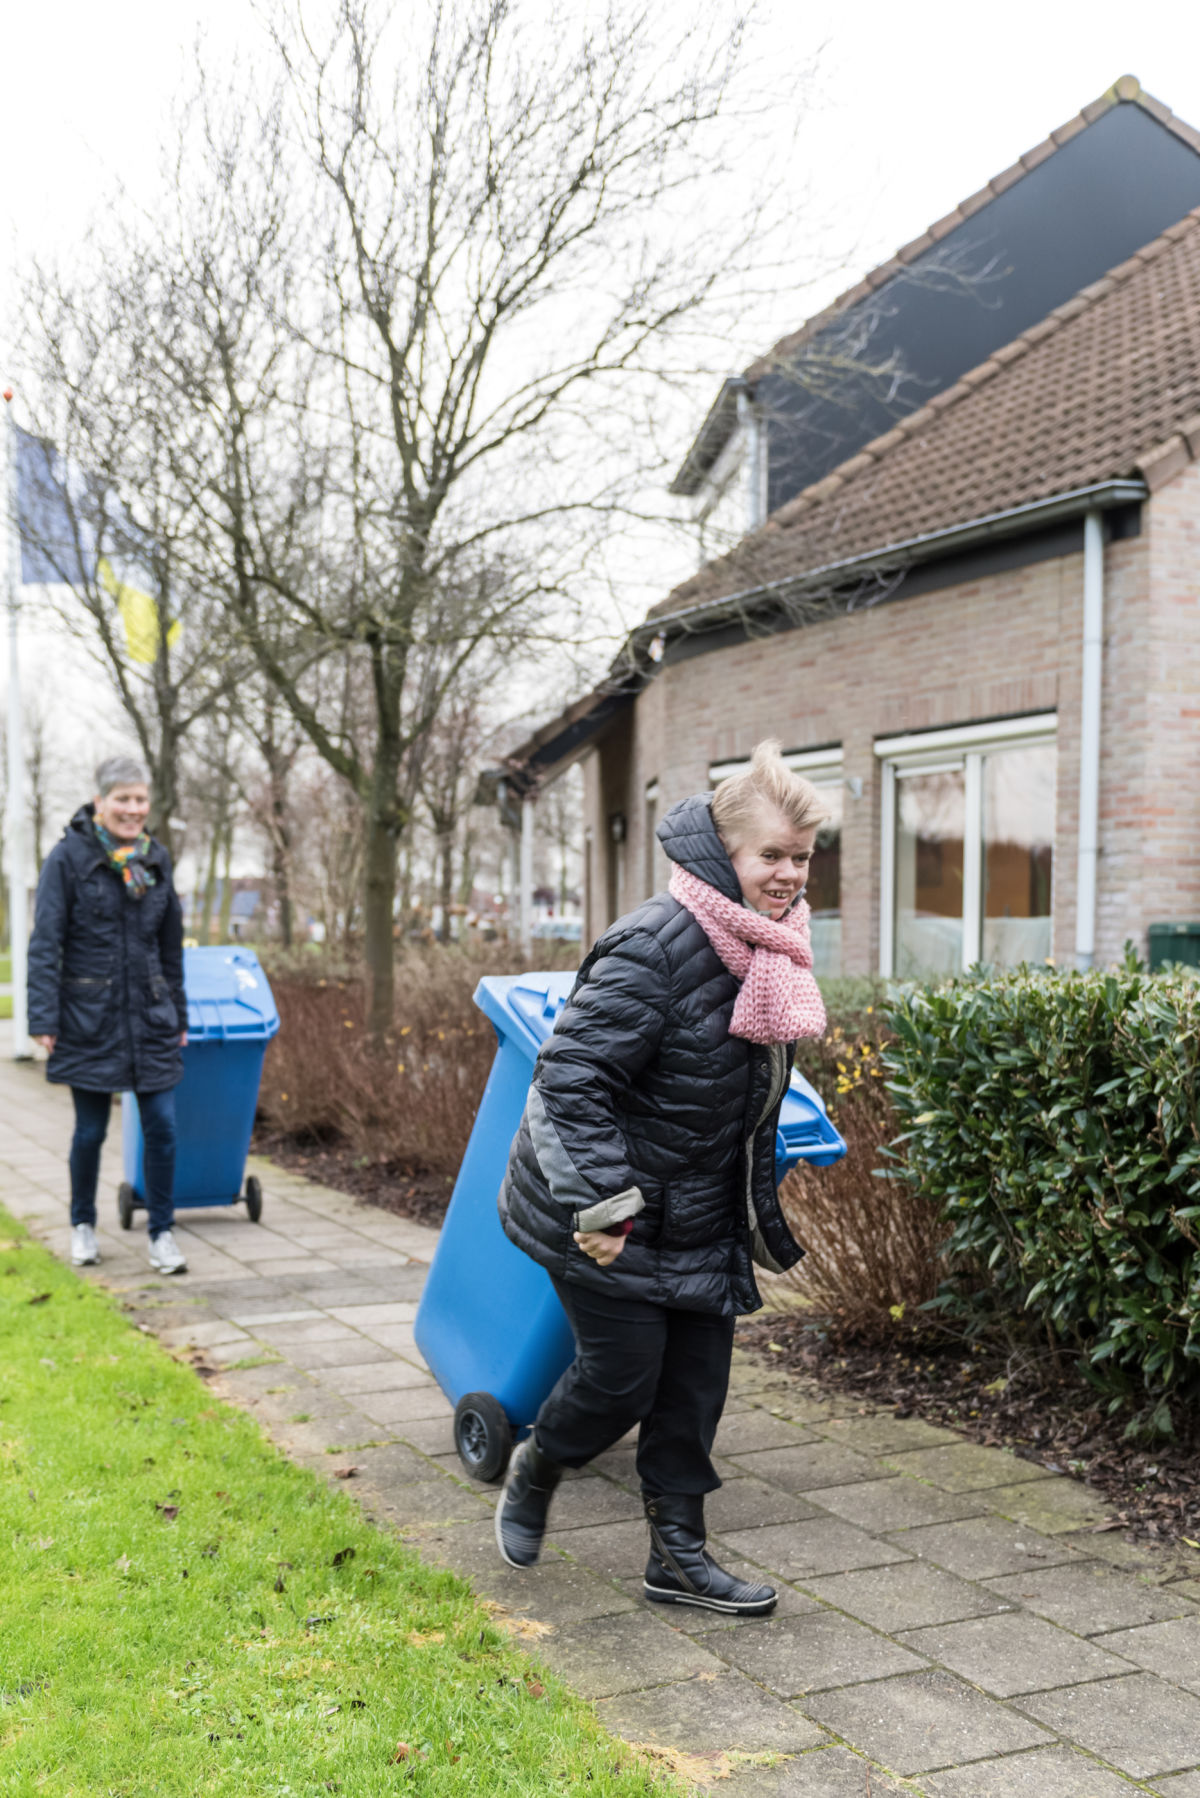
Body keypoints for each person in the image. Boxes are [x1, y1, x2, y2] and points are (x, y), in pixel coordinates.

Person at [496, 739, 827, 1615]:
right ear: (723, 855)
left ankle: (676, 1559)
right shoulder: (658, 945)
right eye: (771, 857)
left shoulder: (767, 946)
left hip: (702, 1214)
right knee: (620, 1382)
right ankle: (536, 1466)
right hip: (613, 1213)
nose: (790, 874)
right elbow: (569, 1082)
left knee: (693, 1394)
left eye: (801, 857)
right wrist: (604, 1205)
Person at [27, 756, 189, 1275]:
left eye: (141, 799)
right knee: (90, 1132)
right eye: (123, 798)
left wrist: (179, 1015)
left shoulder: (157, 860)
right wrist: (43, 1018)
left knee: (162, 1127)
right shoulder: (68, 859)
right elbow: (46, 943)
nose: (134, 809)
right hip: (88, 1018)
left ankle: (162, 1233)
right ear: (100, 803)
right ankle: (83, 1225)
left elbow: (171, 950)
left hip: (151, 1018)